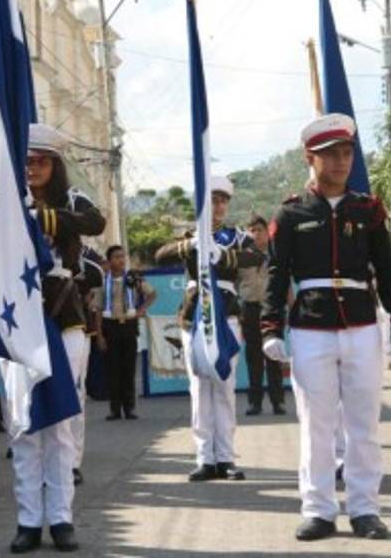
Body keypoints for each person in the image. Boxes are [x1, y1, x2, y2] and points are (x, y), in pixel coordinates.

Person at [261, 114, 391, 541]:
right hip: (311, 327)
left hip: (361, 324)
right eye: (330, 155)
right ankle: (319, 510)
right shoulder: (291, 212)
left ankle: (365, 510)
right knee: (317, 424)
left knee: (363, 424)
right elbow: (277, 273)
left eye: (346, 153)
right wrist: (270, 327)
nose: (341, 162)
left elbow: (386, 268)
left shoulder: (368, 209)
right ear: (310, 159)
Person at [10, 124, 106, 554]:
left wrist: (45, 216)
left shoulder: (71, 199)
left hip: (63, 317)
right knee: (24, 427)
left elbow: (95, 221)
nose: (33, 169)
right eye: (27, 161)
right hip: (18, 320)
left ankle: (61, 517)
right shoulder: (5, 199)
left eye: (41, 161)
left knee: (61, 426)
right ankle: (29, 520)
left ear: (55, 165)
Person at [157, 176, 263, 482]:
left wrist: (224, 255)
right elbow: (160, 256)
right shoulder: (190, 235)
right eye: (212, 201)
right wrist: (190, 244)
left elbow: (257, 255)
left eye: (222, 201)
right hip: (194, 316)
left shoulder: (235, 236)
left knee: (224, 387)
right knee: (200, 389)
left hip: (226, 313)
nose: (217, 206)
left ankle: (226, 457)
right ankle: (205, 458)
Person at [94, 245, 155, 422]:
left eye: (122, 256)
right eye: (116, 257)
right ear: (109, 261)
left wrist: (141, 309)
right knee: (112, 370)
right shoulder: (103, 281)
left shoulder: (133, 278)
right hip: (110, 327)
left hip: (128, 326)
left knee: (128, 369)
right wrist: (99, 335)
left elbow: (152, 294)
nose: (121, 260)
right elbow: (98, 310)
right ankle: (114, 409)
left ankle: (129, 408)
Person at [240, 215, 285, 415]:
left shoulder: (276, 253)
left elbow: (285, 283)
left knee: (274, 356)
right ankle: (254, 403)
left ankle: (278, 402)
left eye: (260, 230)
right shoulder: (241, 256)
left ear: (267, 232)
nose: (256, 234)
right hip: (249, 309)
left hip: (272, 310)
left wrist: (292, 307)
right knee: (253, 358)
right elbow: (233, 284)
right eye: (252, 230)